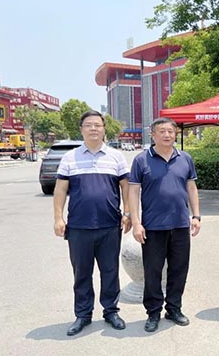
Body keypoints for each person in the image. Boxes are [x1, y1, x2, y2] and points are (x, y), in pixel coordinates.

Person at [53, 110, 132, 336]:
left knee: (110, 271)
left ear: (104, 129)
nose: (94, 128)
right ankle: (83, 315)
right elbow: (60, 189)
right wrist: (58, 218)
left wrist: (127, 213)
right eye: (89, 125)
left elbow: (126, 186)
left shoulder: (116, 156)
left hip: (110, 225)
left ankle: (111, 311)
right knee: (82, 273)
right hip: (79, 227)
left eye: (98, 125)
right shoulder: (70, 158)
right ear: (81, 129)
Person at [128, 117, 201, 333]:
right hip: (152, 227)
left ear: (175, 134)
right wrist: (136, 222)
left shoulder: (185, 158)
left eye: (170, 131)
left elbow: (191, 188)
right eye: (162, 131)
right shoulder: (141, 160)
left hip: (180, 225)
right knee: (152, 271)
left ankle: (174, 308)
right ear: (153, 134)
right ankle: (153, 312)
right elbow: (133, 191)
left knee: (179, 270)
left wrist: (196, 216)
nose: (167, 135)